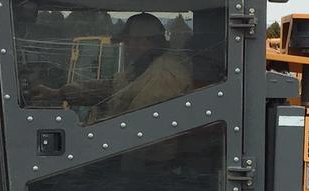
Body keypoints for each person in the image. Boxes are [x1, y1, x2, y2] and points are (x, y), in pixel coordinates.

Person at [35, 12, 192, 120]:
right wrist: (60, 93)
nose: (126, 47)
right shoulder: (143, 67)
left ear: (143, 41)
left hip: (141, 161)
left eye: (128, 41)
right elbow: (113, 87)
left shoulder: (163, 75)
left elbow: (137, 122)